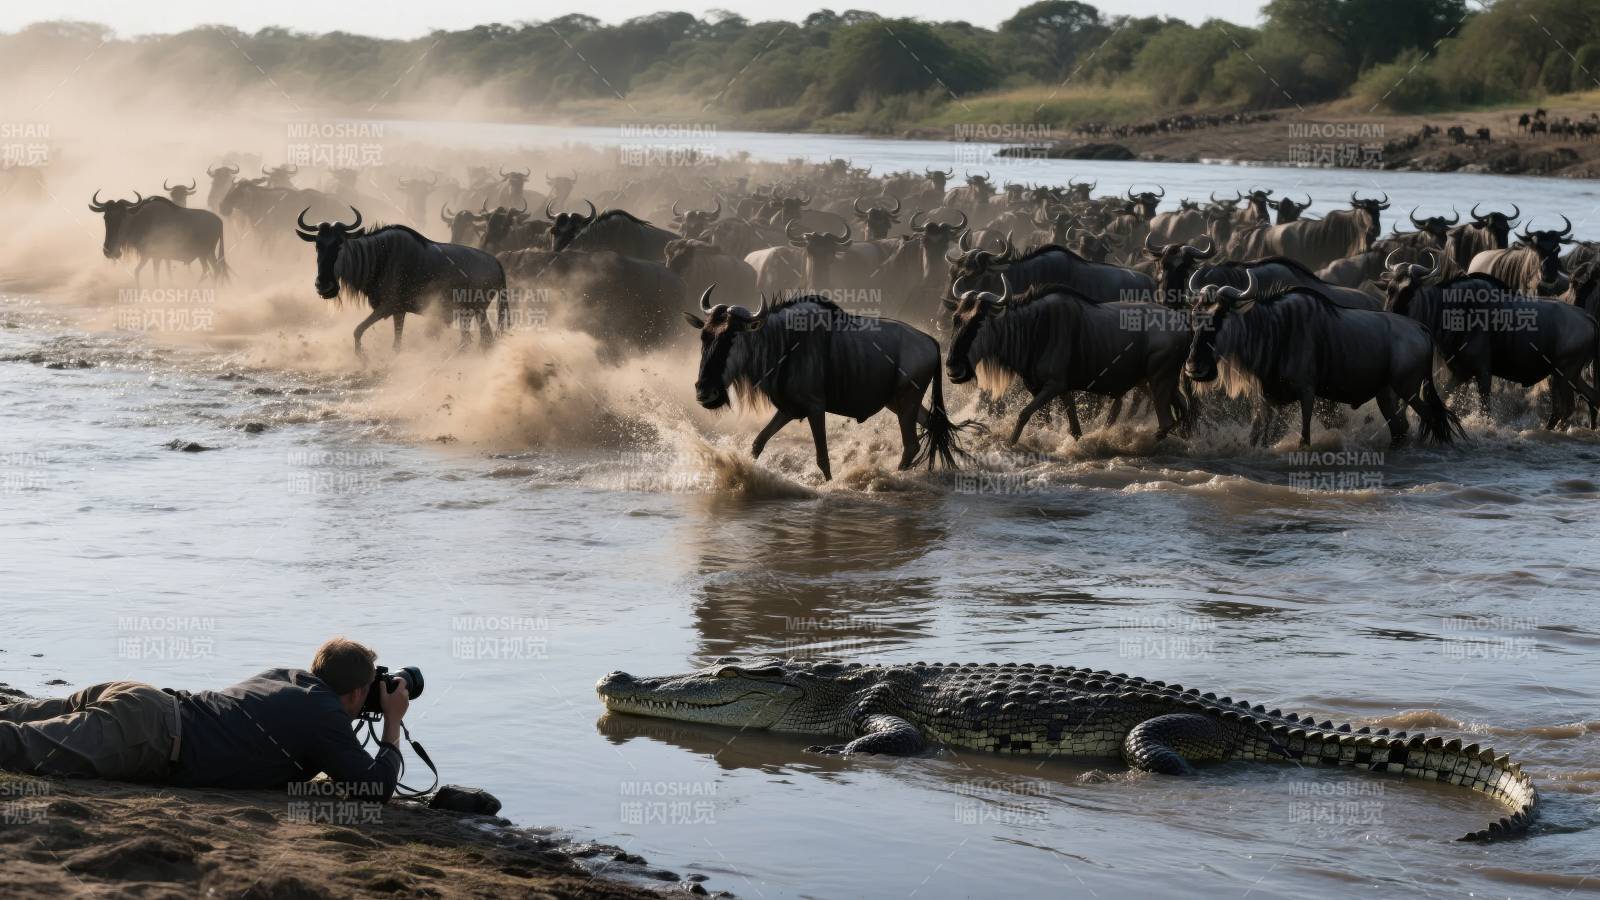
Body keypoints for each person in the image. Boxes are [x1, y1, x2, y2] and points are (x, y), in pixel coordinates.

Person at [0, 637, 408, 801]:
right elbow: (374, 790)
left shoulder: (288, 678)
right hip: (146, 735)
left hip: (142, 699)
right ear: (356, 692)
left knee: (14, 717)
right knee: (18, 747)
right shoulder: (323, 715)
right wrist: (392, 722)